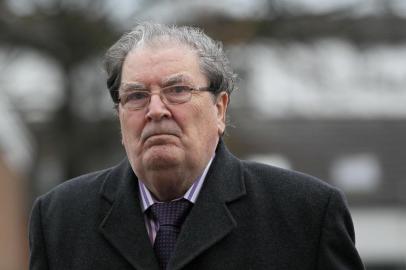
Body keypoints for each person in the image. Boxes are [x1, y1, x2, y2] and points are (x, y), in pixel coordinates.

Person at [29, 22, 365, 270]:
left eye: (177, 90)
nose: (156, 110)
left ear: (219, 109)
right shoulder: (60, 219)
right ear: (119, 116)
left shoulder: (306, 215)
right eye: (136, 96)